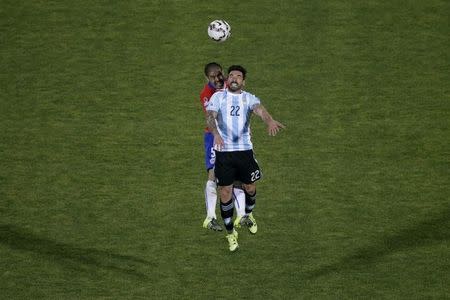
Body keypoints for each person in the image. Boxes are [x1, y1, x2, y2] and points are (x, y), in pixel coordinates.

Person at [206, 65, 285, 251]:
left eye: (238, 76)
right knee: (225, 192)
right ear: (228, 79)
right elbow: (210, 117)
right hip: (224, 152)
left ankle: (248, 214)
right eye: (231, 75)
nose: (234, 78)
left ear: (243, 81)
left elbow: (260, 110)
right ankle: (230, 233)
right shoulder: (218, 97)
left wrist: (270, 120)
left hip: (245, 151)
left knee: (250, 187)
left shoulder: (249, 98)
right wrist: (215, 133)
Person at [200, 62, 246, 232]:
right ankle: (210, 217)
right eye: (213, 77)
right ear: (207, 78)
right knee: (213, 174)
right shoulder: (207, 94)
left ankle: (242, 214)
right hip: (215, 137)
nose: (218, 79)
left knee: (238, 177)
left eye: (219, 74)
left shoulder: (231, 83)